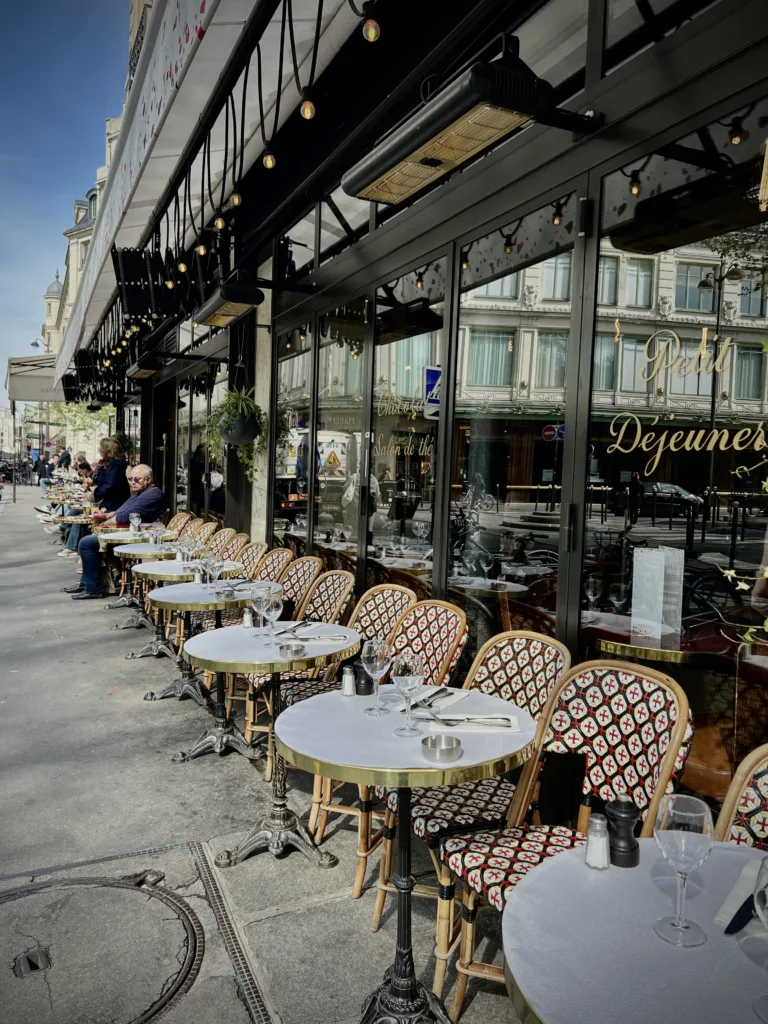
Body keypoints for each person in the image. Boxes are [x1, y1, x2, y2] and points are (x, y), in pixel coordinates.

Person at [68, 465, 166, 599]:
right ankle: (86, 583)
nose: (132, 482)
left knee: (87, 543)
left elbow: (128, 516)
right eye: (130, 479)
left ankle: (93, 588)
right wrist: (107, 516)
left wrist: (109, 520)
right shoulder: (140, 493)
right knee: (88, 540)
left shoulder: (152, 494)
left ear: (148, 480)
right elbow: (121, 511)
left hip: (137, 538)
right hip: (129, 533)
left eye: (136, 479)